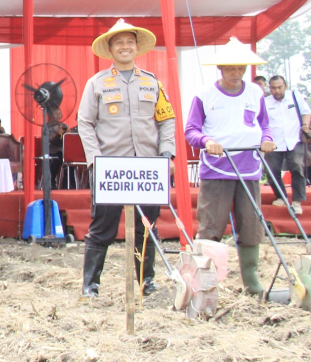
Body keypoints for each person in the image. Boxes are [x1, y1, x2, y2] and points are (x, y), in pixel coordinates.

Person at [76, 20, 176, 298]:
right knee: (102, 226)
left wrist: (166, 154)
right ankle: (90, 286)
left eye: (129, 42)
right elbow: (85, 123)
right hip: (110, 167)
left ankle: (147, 283)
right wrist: (95, 160)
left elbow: (167, 120)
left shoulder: (152, 82)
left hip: (147, 166)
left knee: (147, 227)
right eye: (118, 43)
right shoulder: (97, 83)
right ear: (110, 49)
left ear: (137, 47)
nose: (125, 47)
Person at [184, 38, 274, 296]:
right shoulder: (205, 95)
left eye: (241, 68)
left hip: (249, 166)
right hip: (218, 168)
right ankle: (204, 279)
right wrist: (207, 141)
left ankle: (251, 281)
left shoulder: (255, 93)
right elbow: (191, 130)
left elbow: (264, 125)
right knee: (212, 224)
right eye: (231, 68)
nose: (236, 73)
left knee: (251, 223)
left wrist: (267, 139)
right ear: (220, 68)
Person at [262, 75, 310, 214]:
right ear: (269, 88)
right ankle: (281, 196)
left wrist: (305, 125)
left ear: (285, 86)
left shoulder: (295, 97)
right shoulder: (265, 102)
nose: (277, 91)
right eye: (273, 88)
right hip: (273, 142)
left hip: (294, 139)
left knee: (296, 167)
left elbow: (306, 113)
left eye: (279, 87)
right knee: (272, 171)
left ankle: (297, 201)